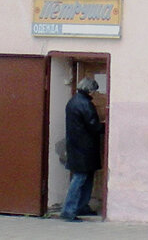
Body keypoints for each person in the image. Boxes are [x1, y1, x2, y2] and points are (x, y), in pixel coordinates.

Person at [60, 76, 104, 221]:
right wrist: (104, 126)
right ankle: (69, 210)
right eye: (94, 90)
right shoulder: (85, 104)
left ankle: (81, 206)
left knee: (85, 176)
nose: (95, 93)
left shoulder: (73, 101)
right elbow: (93, 125)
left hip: (77, 146)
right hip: (85, 147)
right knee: (80, 178)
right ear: (89, 90)